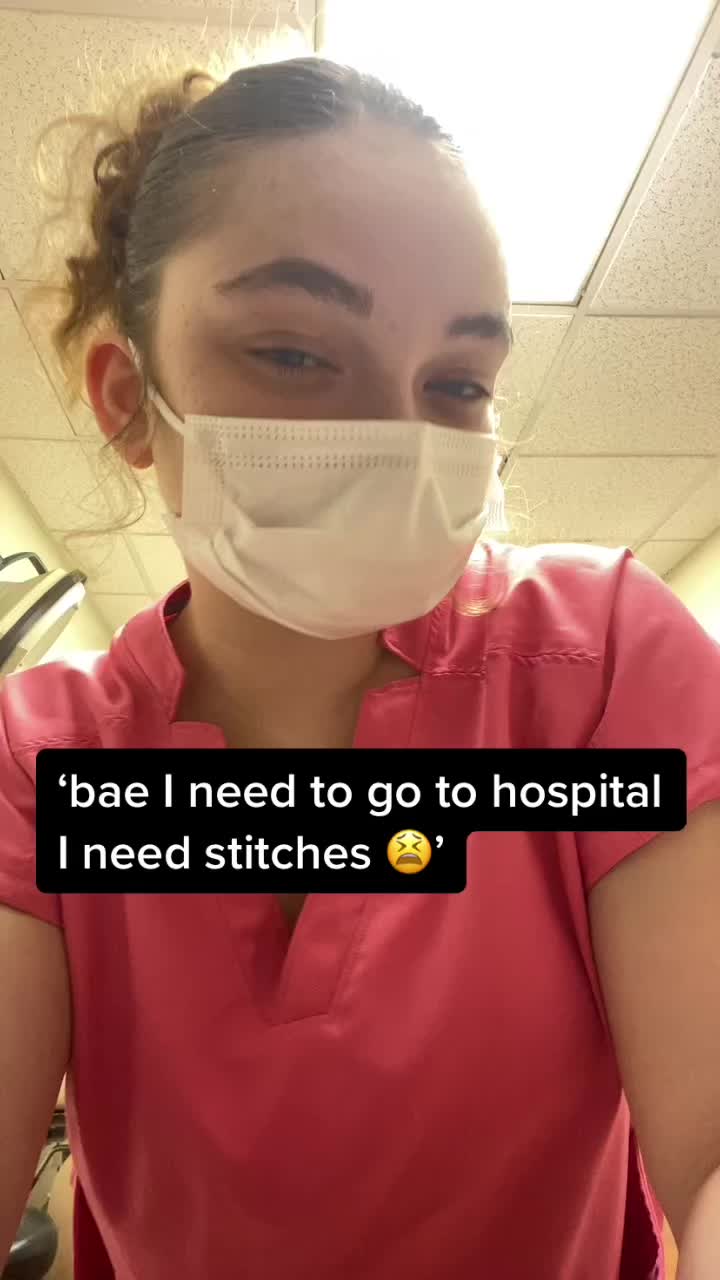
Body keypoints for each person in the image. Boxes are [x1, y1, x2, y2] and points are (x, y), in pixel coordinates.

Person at [0, 55, 719, 1280]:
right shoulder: (38, 762)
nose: (398, 432)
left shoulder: (600, 670)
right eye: (294, 353)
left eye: (458, 382)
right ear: (129, 399)